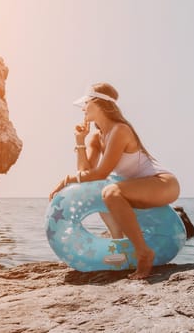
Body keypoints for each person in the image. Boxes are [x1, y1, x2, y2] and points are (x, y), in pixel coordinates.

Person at [49, 82, 180, 280]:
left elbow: (100, 173)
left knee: (110, 191)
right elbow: (85, 174)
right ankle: (117, 241)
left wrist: (66, 179)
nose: (83, 108)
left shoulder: (120, 130)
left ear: (99, 103)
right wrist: (79, 141)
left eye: (86, 103)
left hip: (162, 183)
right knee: (100, 190)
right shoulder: (96, 137)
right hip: (136, 187)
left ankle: (144, 253)